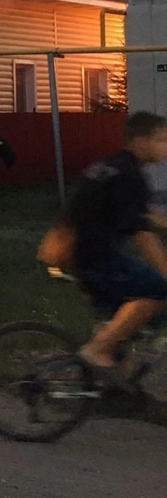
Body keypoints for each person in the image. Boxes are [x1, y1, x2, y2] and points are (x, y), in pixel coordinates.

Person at [64, 111, 167, 377]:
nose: (165, 146)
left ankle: (110, 384)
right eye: (161, 139)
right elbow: (142, 235)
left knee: (122, 319)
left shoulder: (111, 165)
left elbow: (139, 212)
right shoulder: (132, 175)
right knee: (157, 290)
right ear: (140, 141)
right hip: (97, 258)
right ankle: (97, 351)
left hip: (75, 252)